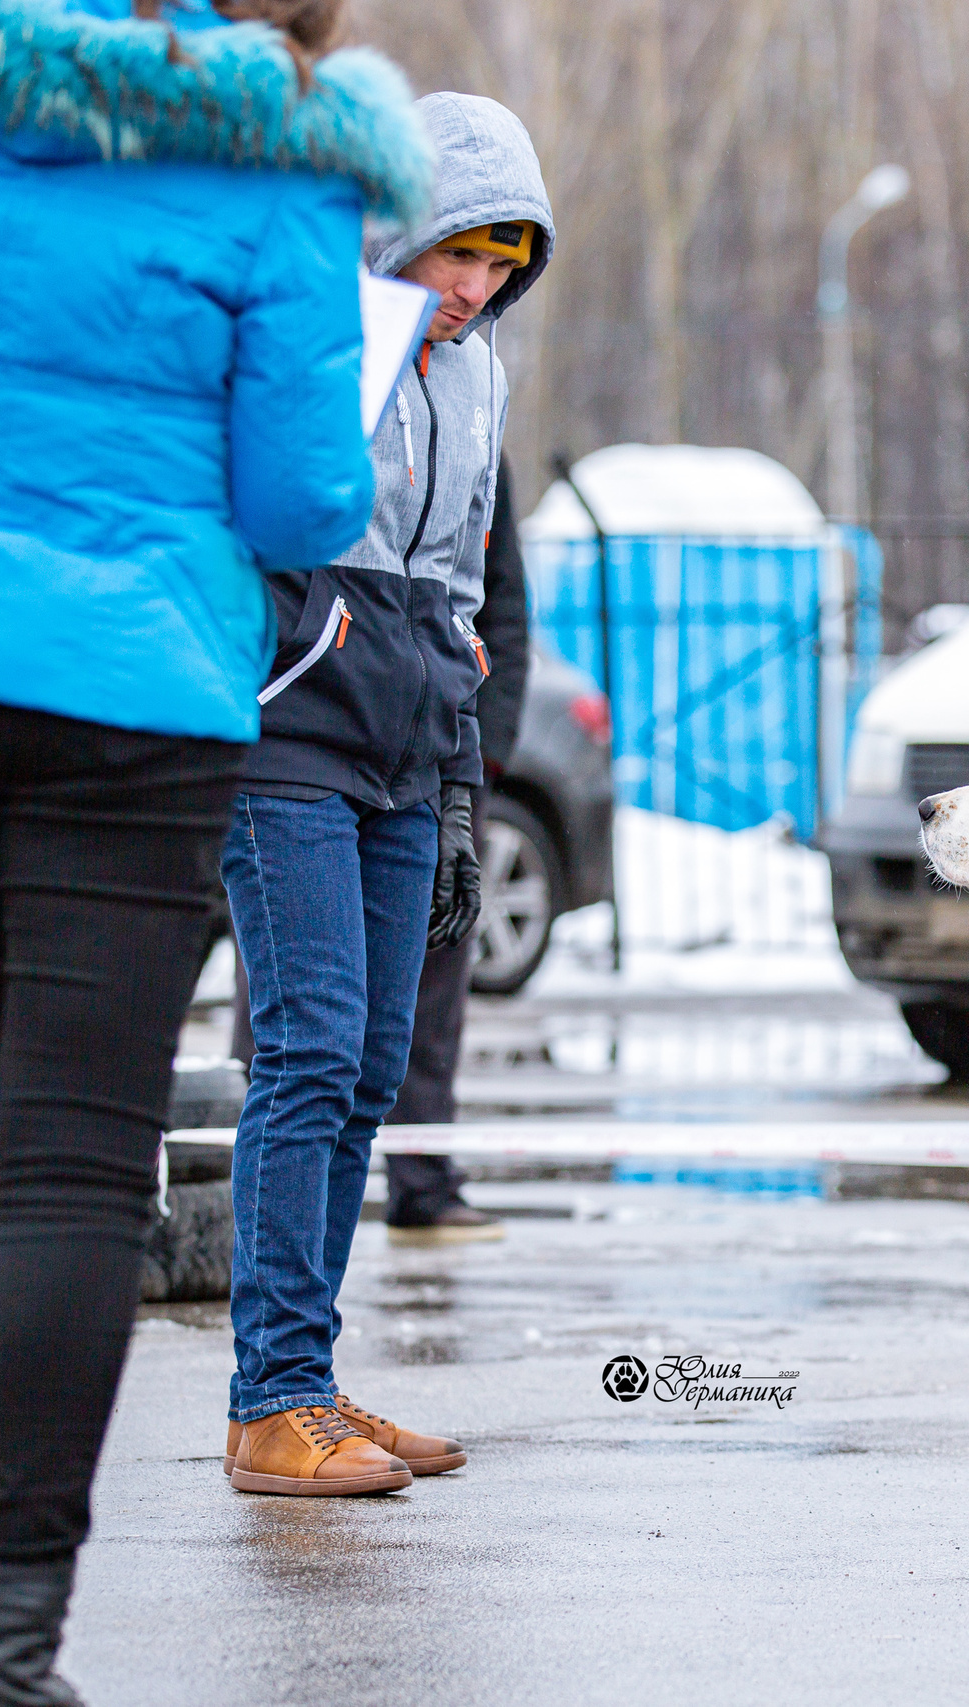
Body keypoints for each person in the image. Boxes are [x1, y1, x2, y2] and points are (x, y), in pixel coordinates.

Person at [0, 0, 420, 1696]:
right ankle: (10, 1651)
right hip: (130, 695)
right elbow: (305, 496)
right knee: (67, 1169)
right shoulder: (281, 160)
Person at [219, 92, 552, 1497]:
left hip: (414, 746)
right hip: (293, 731)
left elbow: (468, 591)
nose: (474, 288)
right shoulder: (321, 333)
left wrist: (466, 786)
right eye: (456, 255)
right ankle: (268, 1399)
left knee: (366, 1073)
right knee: (307, 1049)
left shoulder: (482, 369)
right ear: (401, 236)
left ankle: (313, 1372)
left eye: (502, 261)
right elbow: (257, 502)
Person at [385, 456, 530, 1243]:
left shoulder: (477, 429)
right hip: (326, 748)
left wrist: (485, 754)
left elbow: (500, 605)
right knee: (294, 1005)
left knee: (435, 988)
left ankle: (424, 1180)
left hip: (442, 758)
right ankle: (246, 1195)